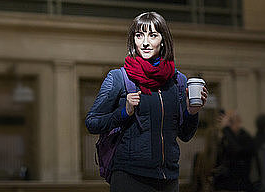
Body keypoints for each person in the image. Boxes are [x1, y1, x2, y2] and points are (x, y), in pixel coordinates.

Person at [86, 11, 207, 192]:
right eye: (139, 35)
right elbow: (92, 123)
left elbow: (185, 135)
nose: (145, 42)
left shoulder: (177, 81)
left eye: (152, 35)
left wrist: (192, 112)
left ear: (163, 40)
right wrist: (123, 113)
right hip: (129, 177)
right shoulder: (119, 78)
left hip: (168, 178)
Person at [212, 110, 255, 191]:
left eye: (231, 122)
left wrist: (226, 129)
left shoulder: (246, 137)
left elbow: (238, 151)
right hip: (227, 186)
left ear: (239, 122)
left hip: (241, 186)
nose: (228, 125)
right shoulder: (226, 138)